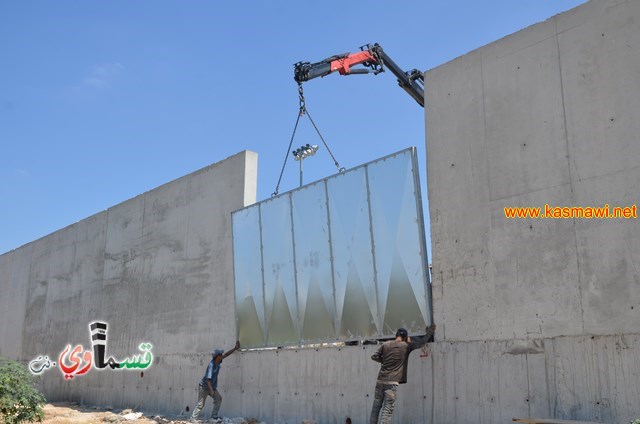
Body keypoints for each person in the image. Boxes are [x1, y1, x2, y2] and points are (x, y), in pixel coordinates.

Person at [369, 324, 436, 424]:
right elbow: (422, 342)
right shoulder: (406, 346)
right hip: (391, 384)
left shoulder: (386, 344)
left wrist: (385, 361)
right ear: (405, 337)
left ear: (396, 335)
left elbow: (374, 356)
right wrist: (430, 332)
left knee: (375, 409)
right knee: (387, 411)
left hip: (380, 381)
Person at [191, 340, 241, 421]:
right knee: (201, 404)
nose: (222, 355)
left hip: (212, 386)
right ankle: (193, 419)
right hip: (204, 387)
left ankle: (214, 416)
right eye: (220, 354)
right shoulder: (211, 365)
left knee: (218, 399)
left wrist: (235, 348)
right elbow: (208, 380)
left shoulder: (219, 361)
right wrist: (211, 390)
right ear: (217, 356)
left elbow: (226, 354)